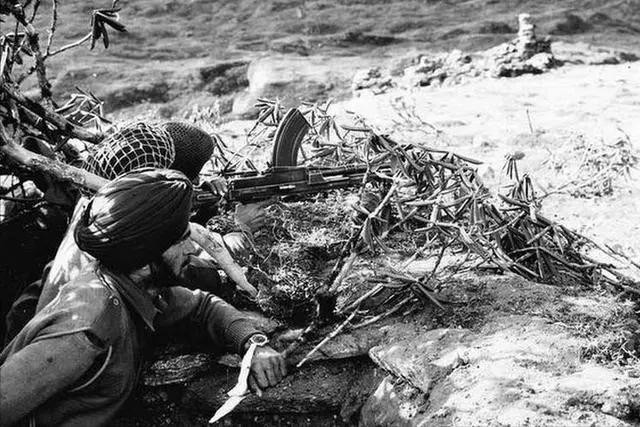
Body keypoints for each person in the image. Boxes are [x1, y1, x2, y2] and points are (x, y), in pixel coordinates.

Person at [0, 169, 285, 427]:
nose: (191, 248)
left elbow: (203, 307)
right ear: (146, 255)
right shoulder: (87, 328)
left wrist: (251, 343)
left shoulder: (137, 286)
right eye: (181, 240)